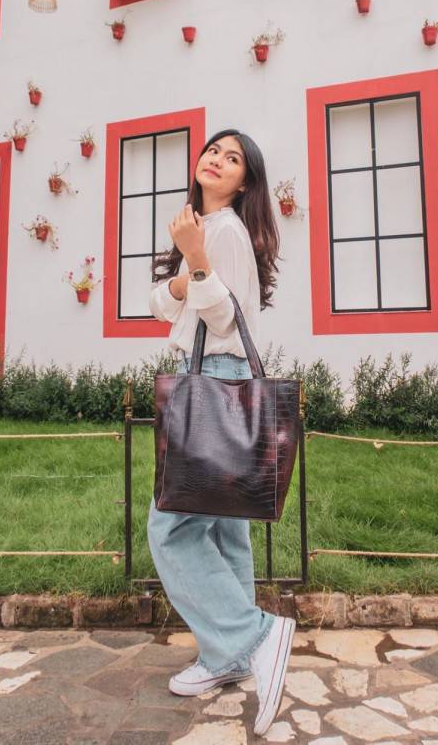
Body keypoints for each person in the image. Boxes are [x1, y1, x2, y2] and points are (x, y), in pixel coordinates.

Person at [147, 128, 296, 736]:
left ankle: (255, 635)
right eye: (214, 150)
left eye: (233, 159)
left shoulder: (225, 230)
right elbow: (164, 304)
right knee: (224, 525)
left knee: (172, 528)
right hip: (216, 375)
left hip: (215, 375)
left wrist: (198, 259)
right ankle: (226, 657)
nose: (217, 159)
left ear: (243, 183)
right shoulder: (201, 227)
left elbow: (226, 317)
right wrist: (187, 268)